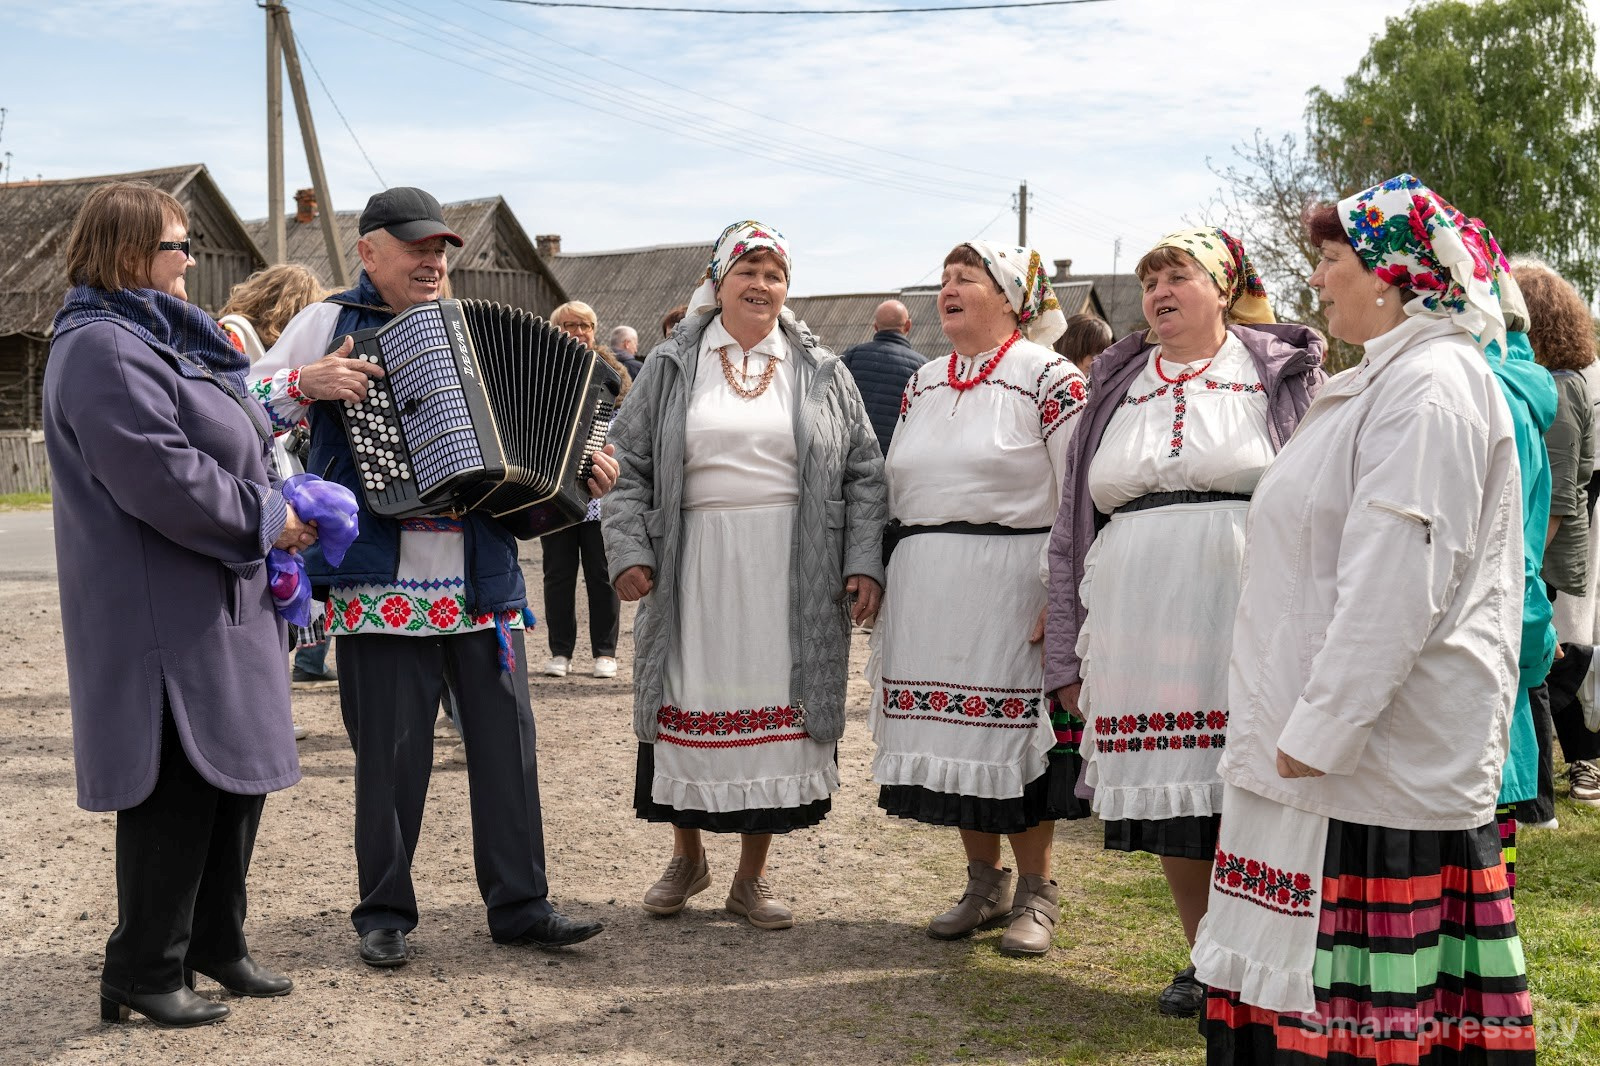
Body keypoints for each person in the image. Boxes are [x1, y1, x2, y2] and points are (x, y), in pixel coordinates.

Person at [1194, 175, 1535, 1064]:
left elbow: (1396, 580)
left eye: (1330, 257)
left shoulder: (1429, 390)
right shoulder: (1384, 380)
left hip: (1367, 769)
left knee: (1356, 1027)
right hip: (1319, 754)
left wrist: (1327, 723)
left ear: (1389, 274)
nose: (1317, 279)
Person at [251, 186, 618, 967]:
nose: (433, 260)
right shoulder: (327, 324)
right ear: (368, 252)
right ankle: (384, 912)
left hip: (483, 581)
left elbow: (540, 453)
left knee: (507, 746)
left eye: (441, 249)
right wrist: (302, 386)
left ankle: (522, 905)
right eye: (416, 247)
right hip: (381, 581)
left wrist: (583, 473)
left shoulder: (477, 332)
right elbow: (237, 404)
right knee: (391, 755)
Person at [44, 180, 308, 1027]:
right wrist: (269, 516)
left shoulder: (161, 339)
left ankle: (214, 943)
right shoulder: (102, 349)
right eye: (176, 245)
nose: (190, 259)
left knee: (234, 777)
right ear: (127, 254)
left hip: (214, 592)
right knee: (180, 783)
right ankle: (143, 967)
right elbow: (163, 476)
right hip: (163, 604)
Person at [1044, 227, 1324, 1012]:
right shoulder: (1115, 381)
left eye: (1179, 275)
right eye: (1150, 280)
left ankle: (1258, 949)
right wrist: (1065, 645)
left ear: (1225, 287)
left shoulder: (1281, 372)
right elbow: (1073, 520)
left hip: (1247, 600)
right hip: (1137, 608)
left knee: (1248, 780)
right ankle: (1204, 955)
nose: (1160, 291)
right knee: (1175, 788)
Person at [603, 220, 885, 930]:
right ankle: (687, 856)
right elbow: (626, 463)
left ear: (787, 288)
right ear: (719, 281)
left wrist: (861, 561)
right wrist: (629, 547)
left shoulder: (821, 367)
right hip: (694, 558)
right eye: (747, 271)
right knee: (685, 694)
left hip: (792, 562)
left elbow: (865, 472)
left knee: (777, 705)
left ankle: (750, 879)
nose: (761, 285)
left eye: (774, 274)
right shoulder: (672, 363)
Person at [870, 240, 1087, 959]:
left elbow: (1080, 494)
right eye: (944, 279)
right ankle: (983, 883)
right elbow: (897, 482)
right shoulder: (925, 380)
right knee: (959, 739)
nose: (950, 288)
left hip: (1011, 575)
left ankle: (1037, 893)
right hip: (930, 579)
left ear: (1012, 297)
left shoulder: (1049, 377)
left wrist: (1066, 593)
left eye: (968, 277)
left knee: (1013, 740)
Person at [219, 264, 337, 713]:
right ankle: (258, 711)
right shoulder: (233, 333)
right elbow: (235, 405)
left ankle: (270, 707)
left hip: (273, 470)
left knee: (283, 597)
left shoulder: (248, 336)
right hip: (254, 477)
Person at [1511, 258, 1600, 822]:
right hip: (1542, 546)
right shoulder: (1552, 385)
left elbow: (1561, 496)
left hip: (1550, 547)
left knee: (1551, 663)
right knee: (1550, 662)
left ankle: (1538, 795)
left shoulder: (1563, 391)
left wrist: (1527, 566)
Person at [1483, 273, 1558, 896]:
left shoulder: (1487, 396)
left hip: (1480, 653)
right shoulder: (1523, 395)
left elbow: (1513, 555)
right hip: (1505, 643)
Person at [542, 300, 632, 680]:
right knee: (557, 575)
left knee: (601, 573)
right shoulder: (542, 369)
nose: (578, 332)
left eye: (585, 325)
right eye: (569, 325)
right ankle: (560, 652)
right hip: (554, 493)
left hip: (599, 493)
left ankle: (605, 652)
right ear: (556, 329)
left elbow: (624, 424)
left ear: (595, 329)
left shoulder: (613, 372)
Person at [838, 298, 928, 456]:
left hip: (852, 456)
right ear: (908, 326)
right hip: (894, 459)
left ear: (875, 327)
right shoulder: (923, 368)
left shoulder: (852, 356)